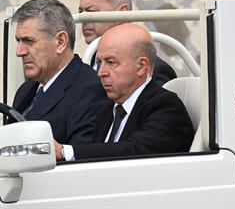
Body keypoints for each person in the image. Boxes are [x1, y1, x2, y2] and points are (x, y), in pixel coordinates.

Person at [55, 23, 194, 161]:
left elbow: (134, 151)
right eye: (99, 62)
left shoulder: (165, 107)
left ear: (141, 66)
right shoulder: (107, 110)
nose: (100, 72)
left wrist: (65, 151)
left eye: (111, 62)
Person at [11, 0, 108, 144]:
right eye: (19, 41)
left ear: (61, 42)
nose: (20, 51)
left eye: (29, 41)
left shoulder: (90, 90)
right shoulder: (26, 89)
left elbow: (81, 160)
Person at [79, 0, 177, 86]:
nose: (83, 19)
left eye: (91, 11)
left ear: (122, 13)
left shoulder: (154, 70)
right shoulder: (86, 61)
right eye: (81, 12)